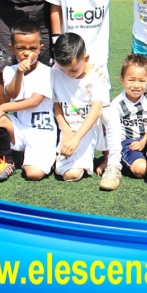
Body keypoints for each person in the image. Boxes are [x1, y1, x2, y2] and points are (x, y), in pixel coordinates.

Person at [0, 20, 56, 182]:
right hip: (19, 127)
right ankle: (7, 162)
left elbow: (35, 101)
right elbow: (12, 92)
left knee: (33, 174)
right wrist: (19, 73)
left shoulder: (47, 72)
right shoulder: (9, 70)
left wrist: (2, 106)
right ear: (12, 48)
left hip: (41, 131)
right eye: (21, 48)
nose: (27, 53)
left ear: (41, 48)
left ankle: (42, 156)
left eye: (32, 48)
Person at [51, 33, 109, 182]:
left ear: (85, 58)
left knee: (109, 114)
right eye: (63, 70)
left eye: (73, 70)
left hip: (89, 127)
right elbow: (56, 104)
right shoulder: (55, 71)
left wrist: (76, 138)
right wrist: (66, 131)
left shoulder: (97, 74)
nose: (68, 74)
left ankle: (109, 158)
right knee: (69, 174)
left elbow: (96, 108)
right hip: (67, 127)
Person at [98, 54, 147, 191]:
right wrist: (106, 159)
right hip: (128, 144)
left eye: (142, 81)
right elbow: (109, 133)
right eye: (131, 80)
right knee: (141, 169)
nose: (136, 85)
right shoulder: (117, 104)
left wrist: (144, 141)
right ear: (121, 80)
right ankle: (124, 164)